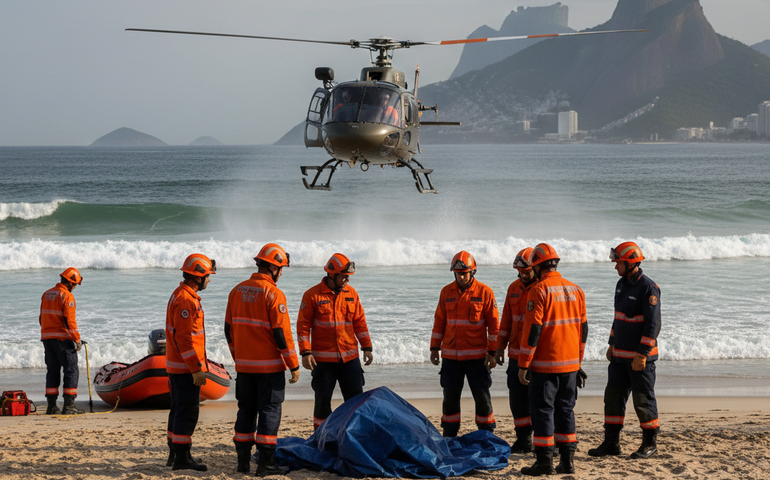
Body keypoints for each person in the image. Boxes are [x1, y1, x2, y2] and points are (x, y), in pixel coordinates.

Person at [225, 243, 300, 476]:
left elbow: (228, 330)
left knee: (245, 410)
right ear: (273, 268)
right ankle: (266, 465)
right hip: (269, 369)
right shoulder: (274, 294)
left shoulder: (236, 290)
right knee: (269, 412)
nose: (282, 273)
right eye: (281, 268)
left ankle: (243, 464)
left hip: (245, 368)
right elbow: (281, 334)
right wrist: (293, 365)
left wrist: (238, 356)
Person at [517, 243, 588, 476]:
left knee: (542, 411)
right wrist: (578, 361)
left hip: (545, 365)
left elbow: (533, 331)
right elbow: (583, 330)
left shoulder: (538, 291)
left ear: (537, 267)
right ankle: (567, 463)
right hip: (570, 364)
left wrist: (523, 364)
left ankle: (545, 462)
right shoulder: (576, 290)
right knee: (566, 410)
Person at [588, 242, 661, 459]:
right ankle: (611, 443)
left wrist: (642, 354)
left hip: (639, 360)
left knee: (643, 400)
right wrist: (611, 344)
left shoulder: (648, 288)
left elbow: (653, 326)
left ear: (630, 263)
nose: (615, 267)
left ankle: (650, 444)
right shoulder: (621, 285)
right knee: (612, 399)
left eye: (617, 263)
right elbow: (618, 318)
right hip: (619, 357)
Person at [297, 253, 373, 430]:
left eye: (348, 277)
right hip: (322, 362)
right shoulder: (312, 295)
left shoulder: (352, 294)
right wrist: (305, 352)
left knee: (355, 402)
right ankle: (321, 440)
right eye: (344, 276)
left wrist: (366, 347)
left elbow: (360, 323)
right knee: (322, 404)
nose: (347, 280)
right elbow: (303, 327)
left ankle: (354, 437)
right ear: (332, 274)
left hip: (349, 359)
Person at [430, 251, 499, 438]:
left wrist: (493, 352)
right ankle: (450, 433)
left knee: (482, 397)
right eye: (458, 273)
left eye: (464, 273)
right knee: (450, 398)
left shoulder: (485, 292)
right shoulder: (446, 292)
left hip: (478, 358)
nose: (461, 276)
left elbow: (494, 326)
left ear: (472, 272)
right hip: (451, 357)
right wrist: (434, 348)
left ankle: (486, 434)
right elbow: (439, 322)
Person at [165, 253, 216, 472]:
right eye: (208, 276)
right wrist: (196, 369)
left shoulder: (180, 294)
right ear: (198, 277)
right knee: (188, 412)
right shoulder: (186, 300)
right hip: (185, 368)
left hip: (177, 366)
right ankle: (181, 459)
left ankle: (174, 454)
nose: (210, 280)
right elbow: (184, 339)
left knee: (178, 410)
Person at [495, 247, 537, 453]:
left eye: (526, 271)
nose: (522, 274)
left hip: (538, 357)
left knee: (539, 400)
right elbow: (506, 321)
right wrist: (499, 347)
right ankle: (523, 439)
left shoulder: (542, 289)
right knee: (517, 400)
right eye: (519, 271)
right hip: (515, 354)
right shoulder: (513, 288)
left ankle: (544, 439)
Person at [40, 267, 85, 416]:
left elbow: (41, 319)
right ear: (71, 282)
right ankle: (69, 406)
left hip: (47, 338)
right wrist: (77, 339)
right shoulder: (67, 296)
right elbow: (69, 321)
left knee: (52, 371)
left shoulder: (46, 294)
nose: (74, 288)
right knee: (71, 370)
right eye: (75, 285)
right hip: (62, 340)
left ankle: (52, 406)